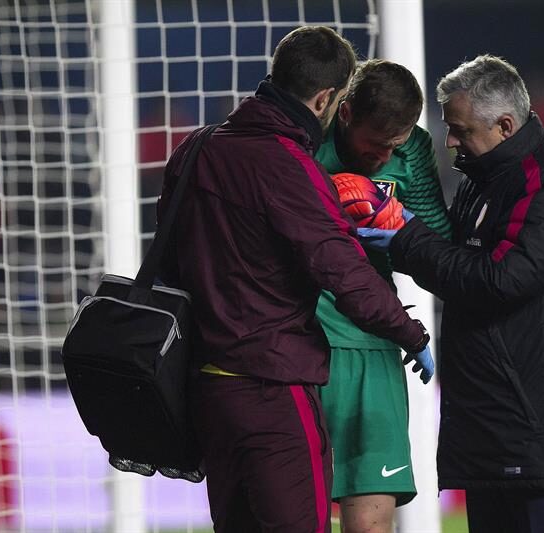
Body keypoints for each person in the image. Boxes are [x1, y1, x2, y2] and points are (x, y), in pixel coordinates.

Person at [156, 27, 433, 533]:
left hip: (208, 390)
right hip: (273, 389)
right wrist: (410, 333)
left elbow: (170, 258)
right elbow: (344, 271)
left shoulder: (195, 149)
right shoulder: (289, 165)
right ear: (326, 99)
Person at [359, 55, 544, 532]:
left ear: (504, 126)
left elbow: (500, 281)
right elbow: (457, 271)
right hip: (491, 430)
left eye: (460, 130)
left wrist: (406, 236)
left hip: (538, 437)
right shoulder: (483, 182)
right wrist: (398, 240)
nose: (450, 141)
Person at [314, 59, 451, 532]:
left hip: (373, 344)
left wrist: (399, 226)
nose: (383, 155)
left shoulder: (412, 148)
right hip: (299, 344)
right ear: (345, 113)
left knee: (372, 524)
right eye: (375, 144)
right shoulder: (304, 137)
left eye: (393, 145)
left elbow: (438, 249)